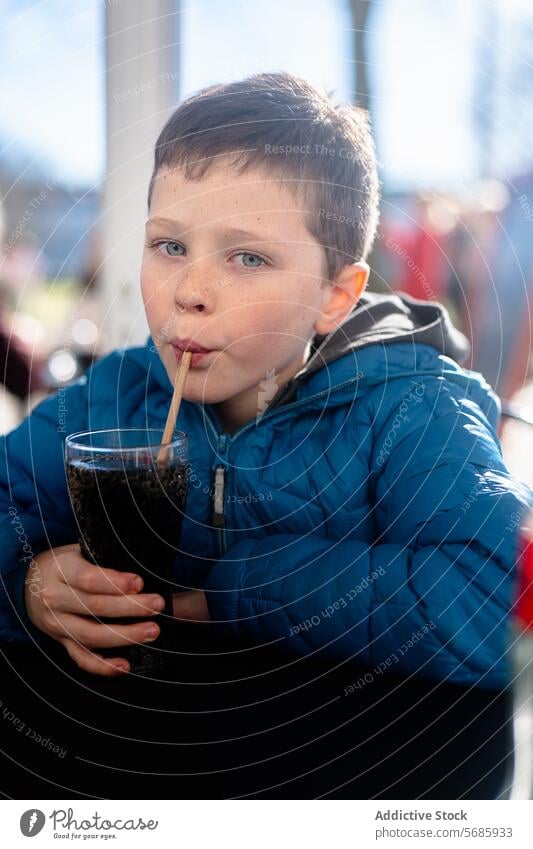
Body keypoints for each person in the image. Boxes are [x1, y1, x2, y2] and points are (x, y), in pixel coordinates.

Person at [0, 72, 531, 701]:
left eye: (247, 258)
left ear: (334, 296)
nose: (190, 293)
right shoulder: (117, 395)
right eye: (169, 245)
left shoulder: (417, 408)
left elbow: (488, 600)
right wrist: (29, 583)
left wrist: (232, 592)